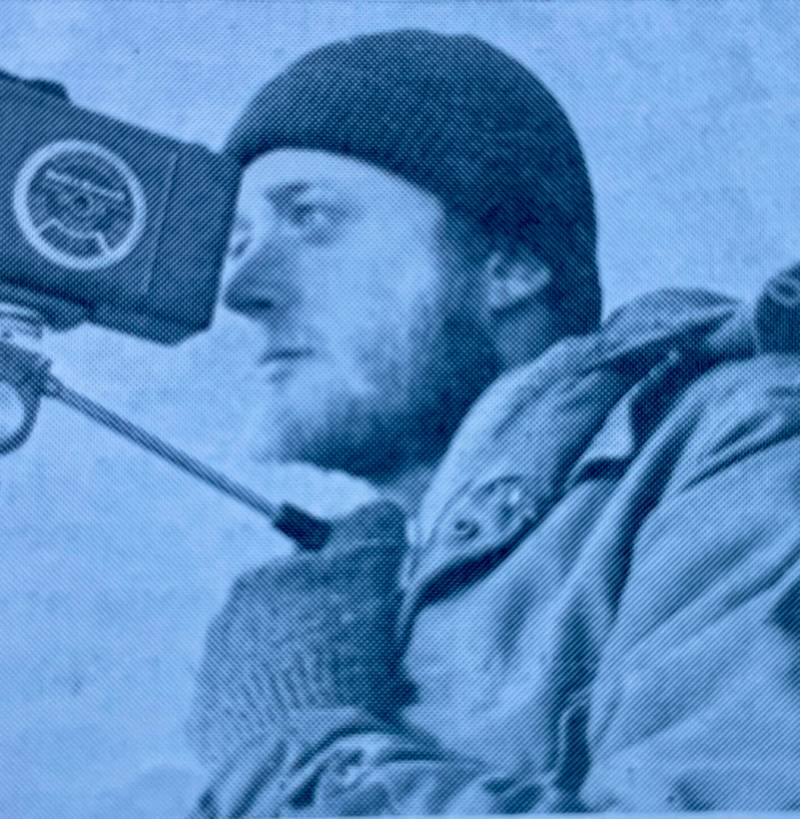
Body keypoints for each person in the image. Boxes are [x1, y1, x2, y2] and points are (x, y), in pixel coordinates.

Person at [184, 30, 800, 815]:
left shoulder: (741, 443)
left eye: (310, 217)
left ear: (510, 262)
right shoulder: (379, 586)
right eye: (239, 240)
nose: (239, 287)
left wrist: (293, 758)